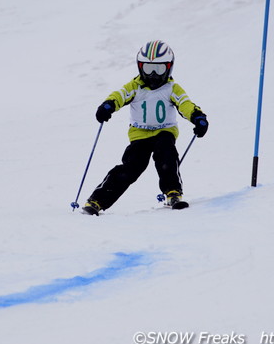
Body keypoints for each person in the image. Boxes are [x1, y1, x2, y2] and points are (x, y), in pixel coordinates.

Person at [82, 40, 208, 215]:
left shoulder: (172, 88)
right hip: (139, 134)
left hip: (165, 131)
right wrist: (108, 105)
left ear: (169, 68)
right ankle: (97, 200)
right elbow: (119, 95)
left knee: (167, 155)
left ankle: (173, 193)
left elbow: (185, 104)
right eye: (149, 69)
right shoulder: (135, 86)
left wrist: (197, 117)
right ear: (140, 67)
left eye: (159, 69)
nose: (154, 75)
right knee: (132, 166)